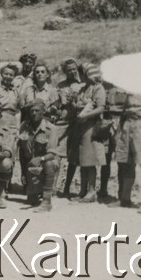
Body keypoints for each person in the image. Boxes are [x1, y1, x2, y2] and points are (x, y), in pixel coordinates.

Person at [111, 93, 141, 213]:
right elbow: (124, 112)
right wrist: (118, 131)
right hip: (128, 127)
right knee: (127, 164)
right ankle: (125, 199)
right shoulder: (131, 91)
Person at [18, 99, 60, 212]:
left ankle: (47, 201)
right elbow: (22, 152)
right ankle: (36, 192)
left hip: (46, 164)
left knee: (50, 163)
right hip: (31, 168)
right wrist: (23, 173)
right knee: (31, 200)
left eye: (37, 111)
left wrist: (41, 158)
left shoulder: (51, 128)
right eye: (32, 111)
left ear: (43, 112)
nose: (34, 113)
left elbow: (52, 153)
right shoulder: (24, 127)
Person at [73, 63, 106, 203]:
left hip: (91, 127)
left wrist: (85, 116)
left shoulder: (98, 88)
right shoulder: (84, 89)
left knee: (90, 160)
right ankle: (83, 190)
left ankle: (91, 191)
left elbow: (100, 108)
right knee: (82, 160)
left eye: (82, 73)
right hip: (81, 127)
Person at [57, 58, 86, 198]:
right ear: (64, 72)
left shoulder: (83, 84)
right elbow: (63, 102)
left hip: (78, 123)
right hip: (64, 123)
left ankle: (68, 188)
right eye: (69, 70)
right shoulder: (61, 85)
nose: (72, 72)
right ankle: (54, 186)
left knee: (74, 158)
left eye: (74, 69)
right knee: (58, 154)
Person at [98, 82, 128, 202]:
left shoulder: (126, 88)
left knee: (121, 160)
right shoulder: (105, 88)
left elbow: (127, 110)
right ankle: (103, 190)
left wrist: (120, 128)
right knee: (105, 159)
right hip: (106, 123)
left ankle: (122, 193)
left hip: (121, 123)